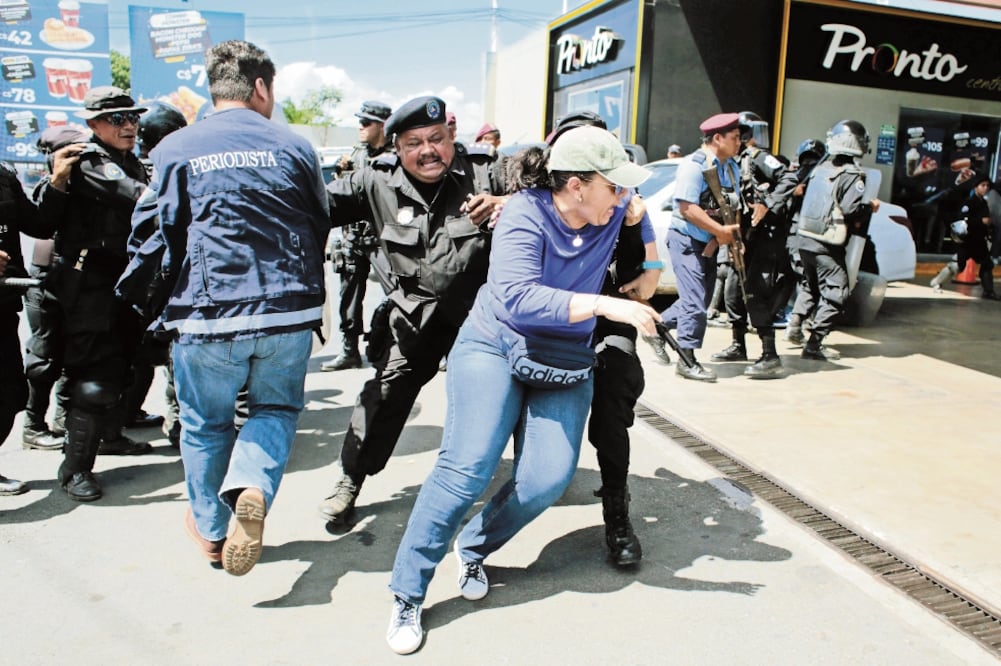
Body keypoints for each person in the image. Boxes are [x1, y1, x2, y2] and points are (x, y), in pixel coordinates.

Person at [385, 125, 658, 655]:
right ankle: (406, 591)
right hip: (495, 344)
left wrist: (639, 224)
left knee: (546, 478)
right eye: (614, 185)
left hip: (563, 356)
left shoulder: (609, 211)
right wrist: (604, 306)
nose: (622, 194)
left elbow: (646, 266)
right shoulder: (525, 214)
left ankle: (474, 544)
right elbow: (517, 298)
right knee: (467, 467)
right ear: (576, 185)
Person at [133, 40, 330, 574]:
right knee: (275, 410)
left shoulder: (174, 148)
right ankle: (252, 485)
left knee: (204, 424)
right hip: (286, 310)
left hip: (207, 310)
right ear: (262, 87)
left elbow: (155, 233)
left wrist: (139, 299)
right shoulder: (295, 147)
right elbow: (320, 219)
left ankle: (213, 531)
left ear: (213, 88)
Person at [317, 95, 506, 524]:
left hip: (481, 318)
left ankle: (532, 476)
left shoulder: (487, 172)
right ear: (396, 147)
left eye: (436, 139)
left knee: (508, 394)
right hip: (415, 318)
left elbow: (553, 192)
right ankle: (351, 479)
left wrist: (507, 204)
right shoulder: (374, 180)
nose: (427, 151)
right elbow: (312, 206)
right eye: (413, 142)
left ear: (452, 137)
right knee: (383, 396)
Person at [540, 110, 661, 566]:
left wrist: (633, 232)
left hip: (610, 313)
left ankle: (616, 512)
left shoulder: (624, 200)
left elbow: (647, 276)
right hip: (550, 314)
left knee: (616, 387)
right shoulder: (537, 202)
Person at [35, 86, 154, 501]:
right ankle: (74, 470)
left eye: (133, 118)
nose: (129, 126)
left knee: (123, 365)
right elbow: (139, 198)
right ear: (94, 124)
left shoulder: (130, 160)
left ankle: (109, 436)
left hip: (122, 279)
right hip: (89, 285)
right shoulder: (89, 161)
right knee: (94, 376)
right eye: (118, 119)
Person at [656, 113, 744, 382]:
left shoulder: (731, 168)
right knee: (695, 303)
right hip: (687, 240)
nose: (740, 143)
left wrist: (733, 241)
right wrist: (719, 232)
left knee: (700, 301)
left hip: (709, 243)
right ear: (717, 138)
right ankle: (686, 359)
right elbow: (687, 208)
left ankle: (656, 327)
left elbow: (733, 207)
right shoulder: (694, 165)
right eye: (735, 138)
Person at [20, 127, 90, 452]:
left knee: (73, 356)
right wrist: (58, 181)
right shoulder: (47, 189)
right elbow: (43, 233)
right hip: (46, 282)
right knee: (44, 358)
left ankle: (63, 420)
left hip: (77, 284)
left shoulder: (91, 186)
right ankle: (33, 426)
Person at [710, 111, 790, 379]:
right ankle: (738, 344)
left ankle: (770, 355)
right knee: (733, 292)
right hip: (740, 240)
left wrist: (768, 204)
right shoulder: (730, 162)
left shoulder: (757, 157)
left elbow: (789, 178)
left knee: (756, 293)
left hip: (762, 240)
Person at [794, 119, 880, 360]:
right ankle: (814, 343)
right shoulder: (853, 174)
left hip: (805, 239)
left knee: (810, 286)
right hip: (827, 243)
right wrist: (869, 207)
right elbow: (851, 210)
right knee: (837, 292)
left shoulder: (820, 170)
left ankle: (794, 326)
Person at [321, 100, 393, 372]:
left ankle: (393, 348)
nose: (360, 127)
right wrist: (341, 173)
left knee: (398, 294)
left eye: (367, 123)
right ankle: (350, 351)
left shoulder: (395, 156)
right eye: (360, 122)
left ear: (382, 126)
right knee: (348, 298)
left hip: (383, 239)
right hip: (354, 238)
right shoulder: (354, 155)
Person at [1, 160, 58, 494]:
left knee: (10, 394)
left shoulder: (4, 177)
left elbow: (39, 224)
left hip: (4, 302)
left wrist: (59, 182)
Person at [782, 139, 826, 346]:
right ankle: (797, 323)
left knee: (802, 280)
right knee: (808, 283)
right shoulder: (820, 176)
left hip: (793, 236)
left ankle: (797, 321)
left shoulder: (795, 176)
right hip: (809, 236)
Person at [929, 175, 999, 299]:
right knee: (958, 265)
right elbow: (962, 220)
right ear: (976, 187)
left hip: (979, 241)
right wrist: (980, 221)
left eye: (987, 186)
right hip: (967, 241)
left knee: (987, 264)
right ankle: (937, 282)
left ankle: (988, 291)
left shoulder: (983, 203)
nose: (985, 188)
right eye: (982, 185)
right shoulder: (969, 202)